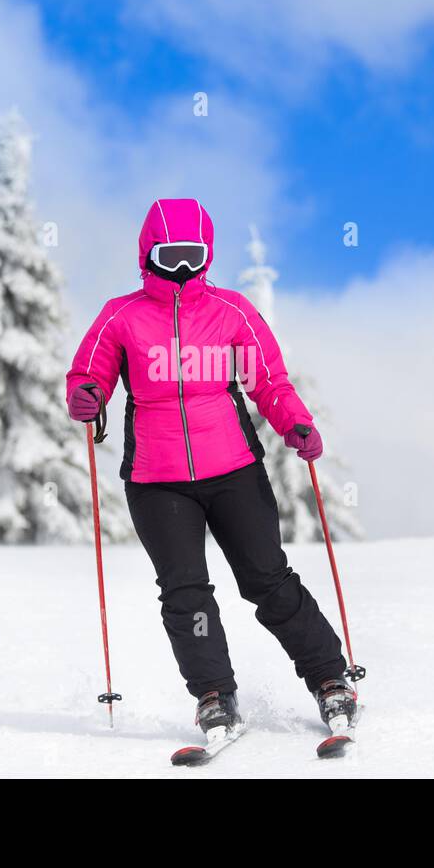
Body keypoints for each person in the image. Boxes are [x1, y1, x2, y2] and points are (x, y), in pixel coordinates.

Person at [65, 198, 355, 739]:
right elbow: (89, 372)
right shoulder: (120, 316)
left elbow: (268, 381)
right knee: (184, 590)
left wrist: (296, 423)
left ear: (207, 254)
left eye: (192, 255)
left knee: (267, 579)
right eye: (170, 255)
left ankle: (330, 679)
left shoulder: (231, 311)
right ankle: (214, 695)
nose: (181, 268)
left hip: (233, 470)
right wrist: (85, 394)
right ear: (148, 253)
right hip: (157, 479)